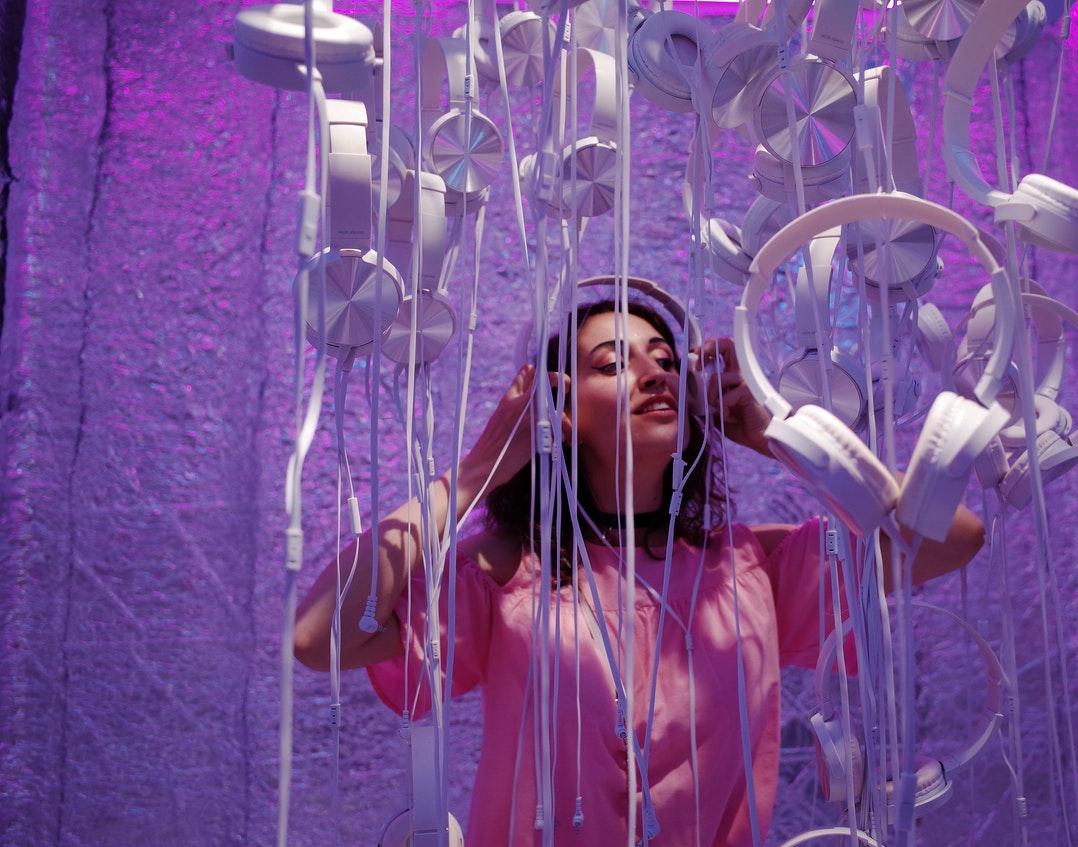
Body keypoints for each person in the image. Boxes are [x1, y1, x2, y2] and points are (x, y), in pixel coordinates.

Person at [293, 294, 986, 846]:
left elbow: (953, 536)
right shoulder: (510, 571)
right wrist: (480, 468)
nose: (656, 373)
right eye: (612, 363)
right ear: (558, 411)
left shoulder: (746, 568)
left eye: (664, 358)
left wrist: (782, 433)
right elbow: (320, 635)